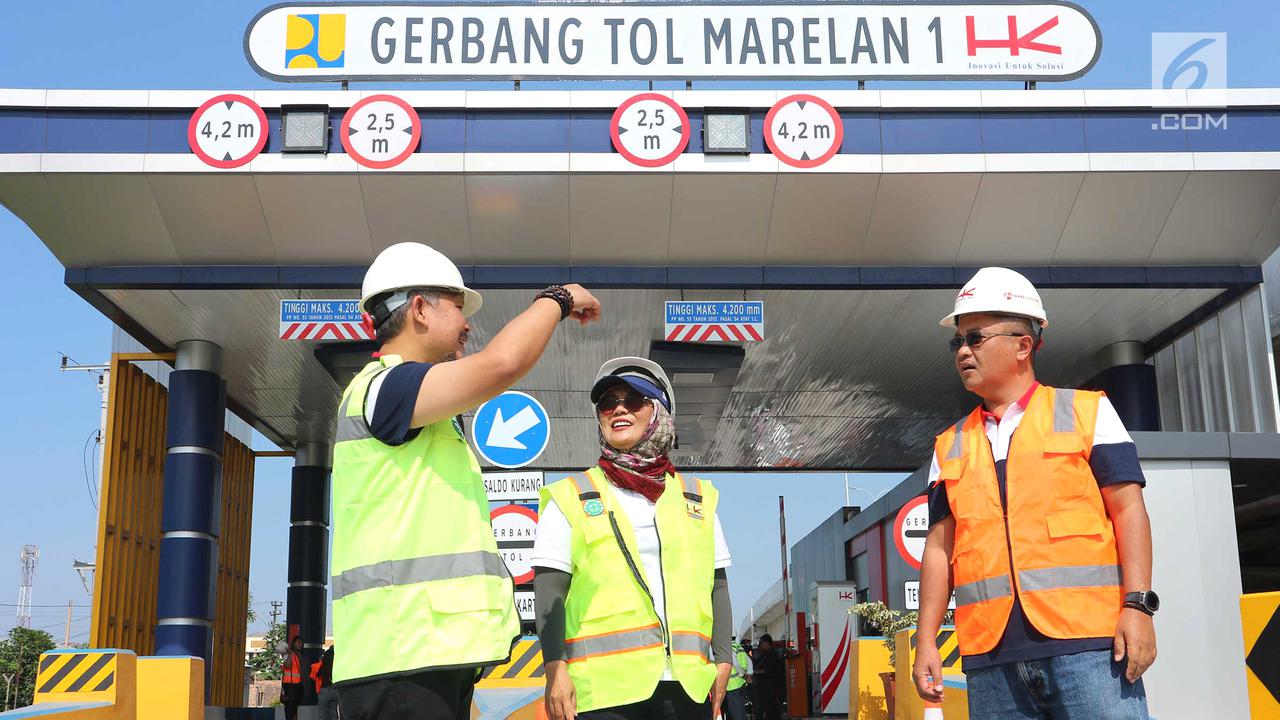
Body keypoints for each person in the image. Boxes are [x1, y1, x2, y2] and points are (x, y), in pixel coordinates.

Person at [331, 242, 602, 720]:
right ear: (419, 309)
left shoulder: (410, 402)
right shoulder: (386, 387)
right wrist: (557, 299)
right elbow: (501, 364)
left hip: (421, 655)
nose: (467, 324)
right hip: (401, 656)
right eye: (458, 308)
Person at [913, 267, 1158, 719]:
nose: (962, 351)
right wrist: (925, 638)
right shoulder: (949, 445)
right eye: (958, 341)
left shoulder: (1088, 412)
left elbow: (1129, 511)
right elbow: (939, 548)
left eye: (975, 338)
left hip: (1090, 649)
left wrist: (1138, 605)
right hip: (991, 659)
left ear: (1023, 345)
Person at [532, 357, 735, 720]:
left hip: (686, 686)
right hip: (603, 692)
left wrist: (723, 659)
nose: (619, 409)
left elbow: (717, 585)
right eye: (607, 402)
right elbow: (549, 591)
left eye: (634, 400)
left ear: (659, 413)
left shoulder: (697, 497)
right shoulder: (571, 495)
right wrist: (554, 667)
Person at [750, 635, 783, 720]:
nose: (759, 645)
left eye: (761, 643)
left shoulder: (772, 655)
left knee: (771, 706)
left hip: (771, 685)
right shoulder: (764, 654)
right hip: (764, 685)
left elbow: (767, 669)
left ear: (766, 643)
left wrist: (754, 672)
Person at [723, 637, 753, 720]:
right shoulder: (739, 647)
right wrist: (749, 674)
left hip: (732, 685)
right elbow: (749, 661)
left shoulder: (730, 648)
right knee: (740, 709)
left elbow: (735, 663)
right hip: (740, 683)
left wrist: (742, 674)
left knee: (736, 712)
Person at [280, 630, 304, 720]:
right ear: (294, 643)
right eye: (299, 642)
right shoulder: (290, 654)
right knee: (290, 711)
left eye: (301, 643)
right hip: (290, 686)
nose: (301, 645)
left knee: (292, 710)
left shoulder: (298, 655)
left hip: (296, 685)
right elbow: (288, 665)